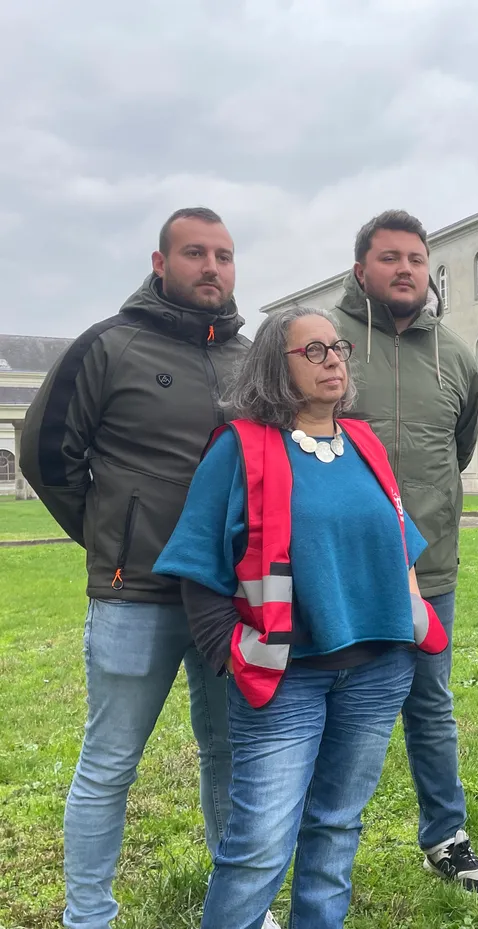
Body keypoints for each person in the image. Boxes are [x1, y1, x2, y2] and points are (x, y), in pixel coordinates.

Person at [153, 305, 448, 929]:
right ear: (273, 367)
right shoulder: (240, 447)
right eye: (312, 351)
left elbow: (399, 540)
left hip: (379, 671)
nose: (333, 359)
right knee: (257, 847)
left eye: (337, 348)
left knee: (337, 831)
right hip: (285, 678)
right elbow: (197, 563)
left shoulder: (365, 442)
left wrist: (415, 614)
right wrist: (231, 652)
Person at [20, 207, 248, 929]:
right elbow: (46, 452)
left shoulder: (250, 358)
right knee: (111, 762)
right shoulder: (108, 346)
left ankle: (238, 903)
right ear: (160, 263)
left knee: (230, 756)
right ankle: (87, 914)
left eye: (223, 254)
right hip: (135, 594)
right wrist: (108, 537)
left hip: (229, 598)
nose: (211, 266)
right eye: (194, 252)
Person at [331, 209, 478, 893]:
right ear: (361, 266)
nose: (405, 270)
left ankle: (446, 836)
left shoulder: (454, 354)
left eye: (416, 259)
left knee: (431, 706)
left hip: (428, 569)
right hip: (335, 572)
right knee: (329, 710)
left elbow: (458, 448)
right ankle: (322, 842)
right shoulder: (323, 342)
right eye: (390, 257)